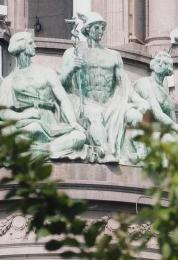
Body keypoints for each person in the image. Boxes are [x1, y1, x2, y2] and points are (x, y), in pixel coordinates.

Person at [0, 31, 87, 165]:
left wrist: (73, 122)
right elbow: (3, 112)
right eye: (31, 43)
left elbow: (63, 100)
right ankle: (35, 150)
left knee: (79, 137)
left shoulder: (46, 72)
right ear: (22, 47)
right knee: (28, 129)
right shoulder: (9, 80)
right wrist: (24, 116)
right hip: (25, 122)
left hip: (48, 122)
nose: (35, 46)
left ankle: (32, 151)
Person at [59, 12, 146, 163]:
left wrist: (140, 102)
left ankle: (141, 155)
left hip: (112, 104)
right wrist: (72, 68)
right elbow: (62, 84)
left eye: (102, 28)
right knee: (97, 115)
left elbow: (124, 85)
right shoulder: (73, 53)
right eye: (97, 27)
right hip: (85, 102)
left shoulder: (114, 56)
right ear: (87, 29)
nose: (100, 31)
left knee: (136, 116)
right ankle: (104, 152)